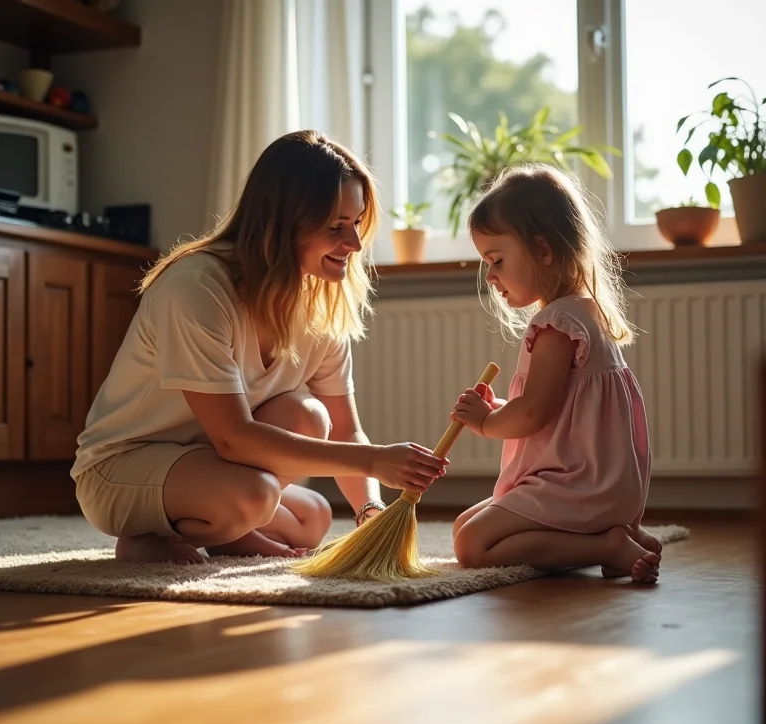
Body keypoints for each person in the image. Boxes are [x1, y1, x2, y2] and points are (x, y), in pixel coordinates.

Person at [71, 130, 447, 565]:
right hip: (123, 467)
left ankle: (219, 529)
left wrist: (371, 509)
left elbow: (345, 429)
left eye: (357, 223)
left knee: (314, 507)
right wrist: (376, 460)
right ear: (281, 222)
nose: (355, 244)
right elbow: (233, 439)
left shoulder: (320, 305)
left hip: (207, 462)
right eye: (335, 227)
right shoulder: (197, 288)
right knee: (255, 495)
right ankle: (148, 535)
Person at [450, 164, 660, 583]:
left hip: (576, 486)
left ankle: (606, 545)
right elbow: (560, 410)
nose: (490, 276)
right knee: (463, 525)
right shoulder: (587, 313)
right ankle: (620, 533)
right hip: (605, 487)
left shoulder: (557, 324)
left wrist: (485, 421)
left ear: (544, 251)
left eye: (496, 260)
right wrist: (503, 406)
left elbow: (533, 416)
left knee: (471, 545)